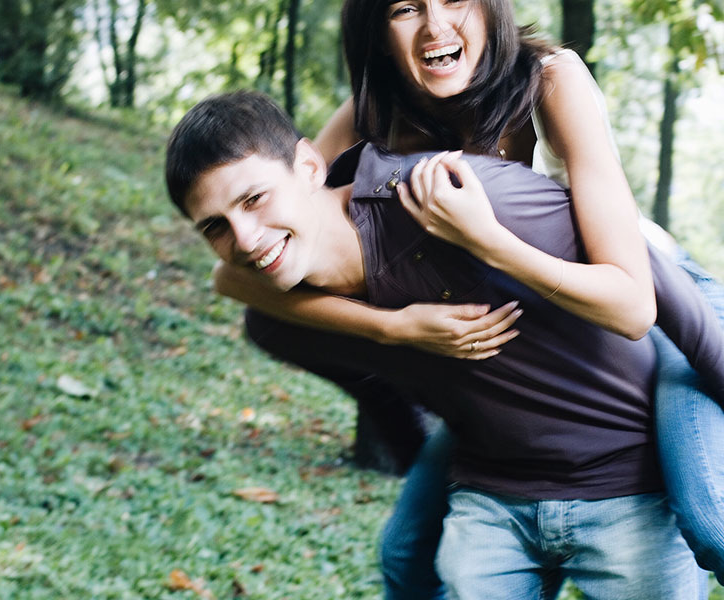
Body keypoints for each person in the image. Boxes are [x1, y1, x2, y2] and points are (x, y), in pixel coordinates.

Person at [213, 0, 724, 596]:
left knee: (710, 521)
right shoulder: (375, 105)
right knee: (406, 554)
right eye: (406, 8)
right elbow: (239, 272)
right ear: (377, 31)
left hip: (659, 298)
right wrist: (394, 328)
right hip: (544, 327)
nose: (435, 25)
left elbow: (636, 299)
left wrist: (489, 239)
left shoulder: (551, 79)